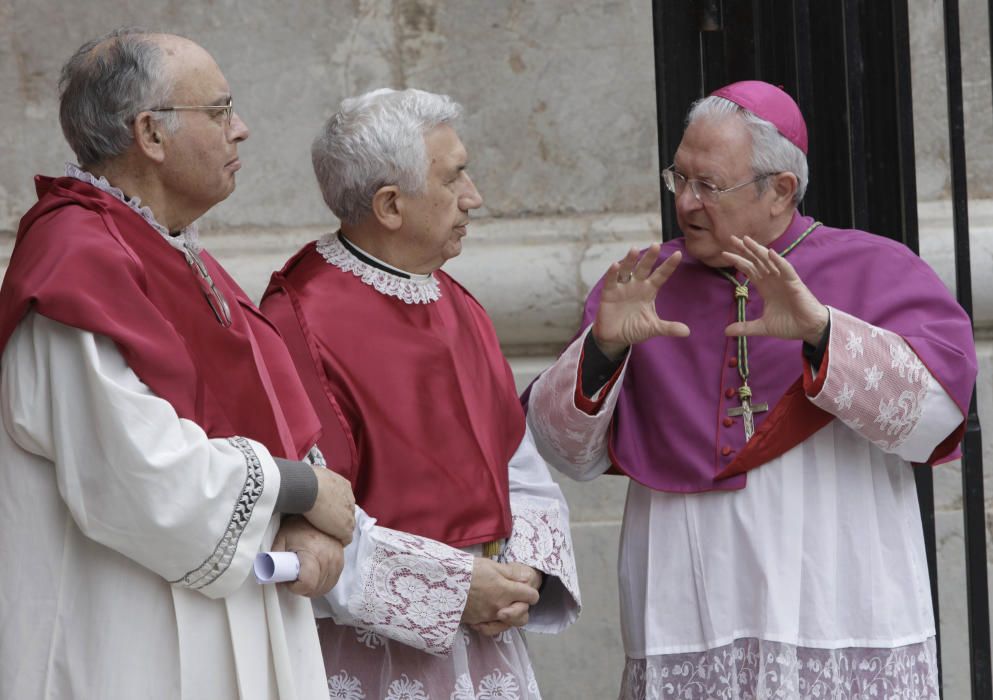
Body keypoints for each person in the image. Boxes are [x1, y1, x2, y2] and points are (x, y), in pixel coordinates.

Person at [524, 80, 977, 699]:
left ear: (781, 191)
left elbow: (934, 422)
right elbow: (568, 454)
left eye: (709, 185)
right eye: (678, 179)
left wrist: (822, 334)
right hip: (687, 598)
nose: (685, 203)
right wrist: (604, 351)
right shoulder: (641, 287)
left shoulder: (877, 270)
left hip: (837, 591)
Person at [0, 29, 356, 699]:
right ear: (150, 135)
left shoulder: (171, 252)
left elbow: (264, 413)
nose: (241, 130)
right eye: (220, 110)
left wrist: (303, 521)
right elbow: (136, 476)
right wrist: (300, 491)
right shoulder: (76, 264)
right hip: (126, 637)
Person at [261, 87, 581, 699]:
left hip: (486, 627)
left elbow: (515, 458)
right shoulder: (300, 323)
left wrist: (524, 574)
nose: (474, 197)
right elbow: (307, 519)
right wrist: (456, 590)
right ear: (389, 205)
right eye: (455, 177)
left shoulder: (453, 298)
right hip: (370, 651)